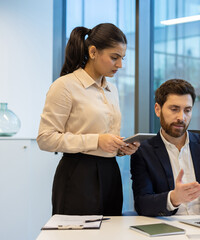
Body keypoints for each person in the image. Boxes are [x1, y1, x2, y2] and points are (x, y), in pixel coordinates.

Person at [37, 23, 139, 216]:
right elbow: (45, 138)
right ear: (93, 52)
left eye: (122, 58)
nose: (120, 65)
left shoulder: (112, 90)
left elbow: (105, 138)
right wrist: (97, 140)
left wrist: (120, 148)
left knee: (111, 233)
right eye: (114, 57)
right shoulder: (65, 86)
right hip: (78, 175)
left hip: (111, 172)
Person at [130, 79, 200, 216]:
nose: (181, 117)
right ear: (158, 109)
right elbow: (142, 204)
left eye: (187, 110)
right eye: (174, 109)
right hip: (168, 228)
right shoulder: (143, 152)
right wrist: (174, 198)